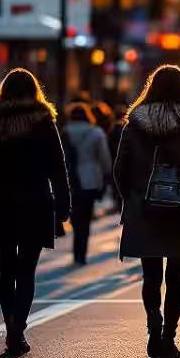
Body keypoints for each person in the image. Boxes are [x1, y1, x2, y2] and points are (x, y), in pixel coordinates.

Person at [114, 66, 180, 358]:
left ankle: (153, 327)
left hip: (143, 206)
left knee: (150, 274)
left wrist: (131, 198)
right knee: (176, 277)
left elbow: (120, 168)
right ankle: (169, 336)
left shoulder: (134, 125)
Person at [0, 69, 71, 356]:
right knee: (27, 269)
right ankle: (18, 328)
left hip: (1, 200)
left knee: (5, 270)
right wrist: (64, 203)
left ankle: (9, 326)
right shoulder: (43, 119)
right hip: (36, 200)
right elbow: (57, 164)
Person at [63, 103, 112, 265]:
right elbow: (104, 157)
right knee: (86, 215)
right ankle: (81, 251)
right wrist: (106, 174)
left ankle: (77, 248)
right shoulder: (96, 132)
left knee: (76, 215)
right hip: (90, 178)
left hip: (71, 179)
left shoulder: (65, 132)